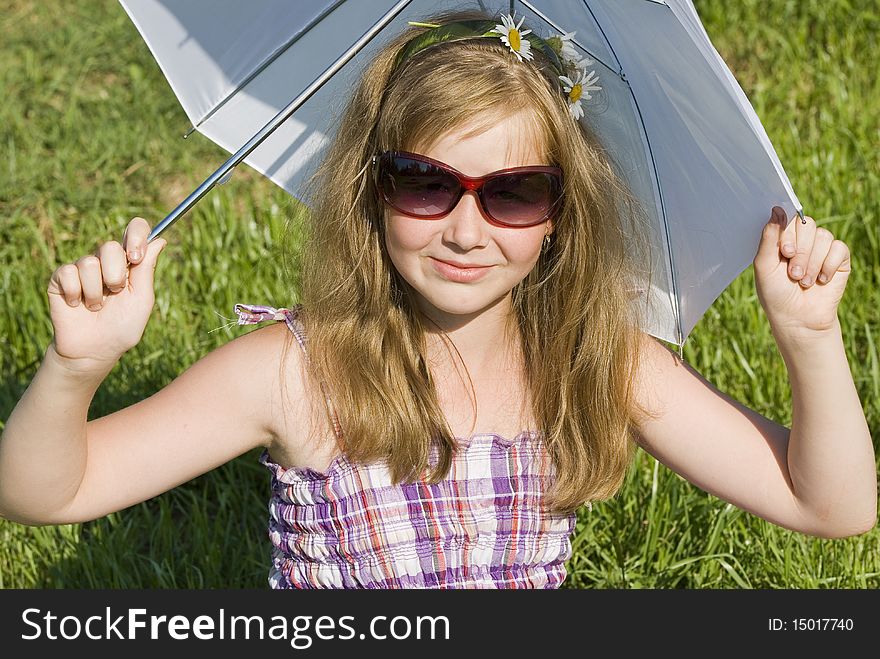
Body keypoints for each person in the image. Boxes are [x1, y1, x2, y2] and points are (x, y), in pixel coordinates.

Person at [0, 10, 875, 589]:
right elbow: (48, 491)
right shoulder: (297, 375)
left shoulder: (597, 365)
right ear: (370, 189)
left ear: (561, 217)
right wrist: (76, 367)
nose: (465, 228)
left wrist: (808, 339)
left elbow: (831, 506)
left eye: (514, 192)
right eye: (425, 182)